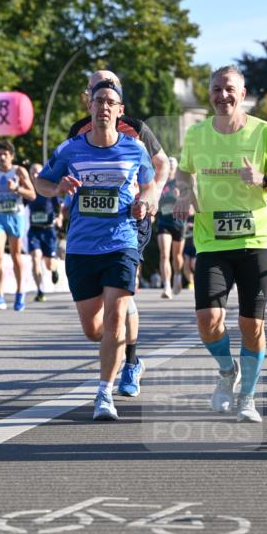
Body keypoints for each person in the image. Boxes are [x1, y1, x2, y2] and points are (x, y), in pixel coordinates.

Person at [175, 65, 267, 423]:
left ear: (242, 95)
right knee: (208, 320)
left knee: (250, 325)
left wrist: (264, 179)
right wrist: (183, 192)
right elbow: (184, 170)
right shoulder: (196, 134)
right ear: (209, 94)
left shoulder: (264, 132)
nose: (222, 95)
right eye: (215, 89)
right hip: (211, 240)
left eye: (229, 89)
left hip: (255, 241)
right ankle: (228, 371)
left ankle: (247, 398)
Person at [36, 80, 155, 421]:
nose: (104, 106)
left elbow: (148, 184)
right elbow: (41, 183)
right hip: (81, 247)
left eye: (111, 102)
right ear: (89, 106)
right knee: (94, 329)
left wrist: (144, 203)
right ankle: (124, 347)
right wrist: (57, 187)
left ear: (120, 112)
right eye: (98, 100)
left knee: (115, 318)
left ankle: (104, 392)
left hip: (121, 242)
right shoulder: (71, 149)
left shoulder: (135, 149)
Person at [68, 70, 170, 397]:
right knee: (100, 322)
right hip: (89, 228)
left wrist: (149, 198)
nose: (102, 93)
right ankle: (123, 331)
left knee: (122, 295)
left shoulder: (136, 128)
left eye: (110, 89)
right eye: (95, 88)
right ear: (89, 94)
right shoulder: (78, 130)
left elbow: (162, 165)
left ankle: (131, 362)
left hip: (131, 218)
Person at [0, 141, 35, 311]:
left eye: (5, 154)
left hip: (16, 216)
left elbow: (32, 195)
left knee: (15, 256)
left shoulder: (19, 171)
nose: (2, 157)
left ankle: (20, 292)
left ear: (11, 156)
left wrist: (17, 188)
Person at [27, 163, 62, 301]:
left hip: (48, 230)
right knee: (35, 258)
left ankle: (54, 269)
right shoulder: (28, 190)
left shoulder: (48, 188)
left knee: (49, 264)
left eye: (37, 172)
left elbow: (59, 205)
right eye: (32, 173)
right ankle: (40, 290)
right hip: (34, 229)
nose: (35, 175)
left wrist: (59, 217)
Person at [155, 157, 186, 298]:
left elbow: (190, 200)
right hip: (164, 222)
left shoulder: (180, 182)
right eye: (169, 167)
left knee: (177, 256)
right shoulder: (160, 182)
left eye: (173, 167)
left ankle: (178, 276)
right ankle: (167, 285)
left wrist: (181, 197)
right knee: (164, 254)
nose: (171, 170)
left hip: (179, 223)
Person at [182, 216, 196, 290]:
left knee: (194, 264)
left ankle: (198, 280)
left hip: (196, 245)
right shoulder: (184, 217)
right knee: (186, 264)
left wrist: (193, 225)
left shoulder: (197, 215)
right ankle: (192, 282)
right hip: (186, 244)